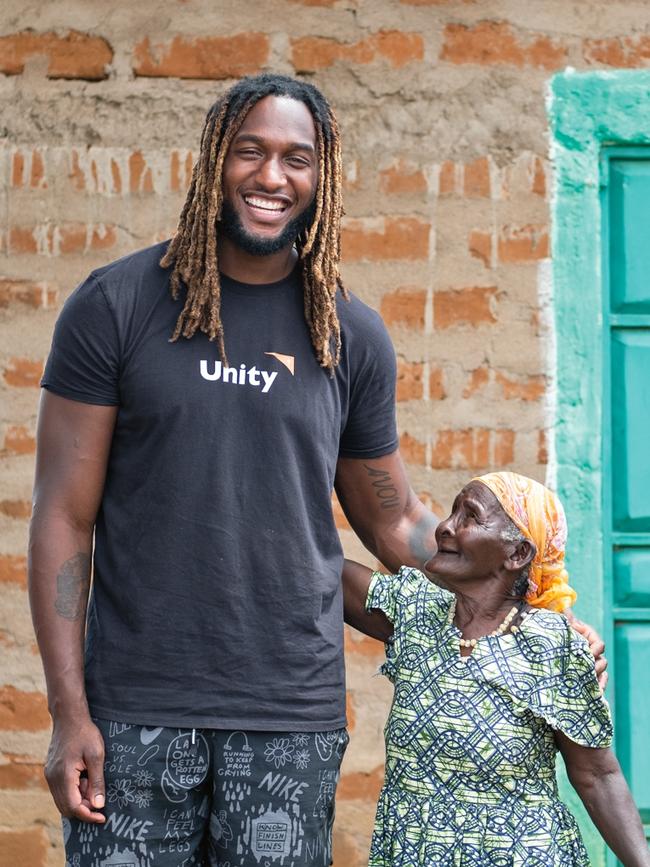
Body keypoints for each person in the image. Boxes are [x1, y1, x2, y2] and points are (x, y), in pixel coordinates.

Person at [28, 73, 603, 867]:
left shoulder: (349, 335)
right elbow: (63, 514)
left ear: (321, 176)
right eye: (250, 152)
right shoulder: (117, 306)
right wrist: (67, 710)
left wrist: (530, 608)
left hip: (289, 715)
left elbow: (394, 517)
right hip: (135, 708)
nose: (271, 177)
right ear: (214, 161)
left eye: (297, 158)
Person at [342, 472, 648, 866]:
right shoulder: (415, 611)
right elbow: (323, 571)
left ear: (517, 554)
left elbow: (597, 776)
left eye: (469, 516)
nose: (445, 527)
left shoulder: (553, 645)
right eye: (452, 511)